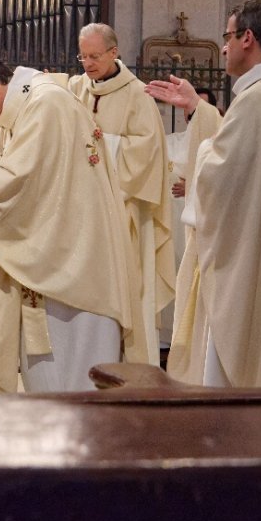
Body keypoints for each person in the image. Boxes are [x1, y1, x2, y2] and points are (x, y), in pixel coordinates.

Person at [0, 47, 144, 393]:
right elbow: (0, 158)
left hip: (75, 267)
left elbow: (15, 181)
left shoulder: (45, 104)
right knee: (51, 387)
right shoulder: (23, 106)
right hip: (58, 258)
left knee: (75, 386)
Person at [145, 0, 261, 388]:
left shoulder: (259, 98)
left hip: (254, 262)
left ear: (248, 38)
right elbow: (245, 161)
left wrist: (199, 148)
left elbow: (221, 176)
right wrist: (201, 110)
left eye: (228, 36)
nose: (226, 47)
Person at [68, 23, 174, 366]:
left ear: (114, 53)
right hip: (84, 209)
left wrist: (98, 143)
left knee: (127, 289)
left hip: (123, 211)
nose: (87, 63)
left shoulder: (137, 95)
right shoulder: (76, 88)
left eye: (94, 56)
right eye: (82, 55)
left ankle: (130, 364)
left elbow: (147, 153)